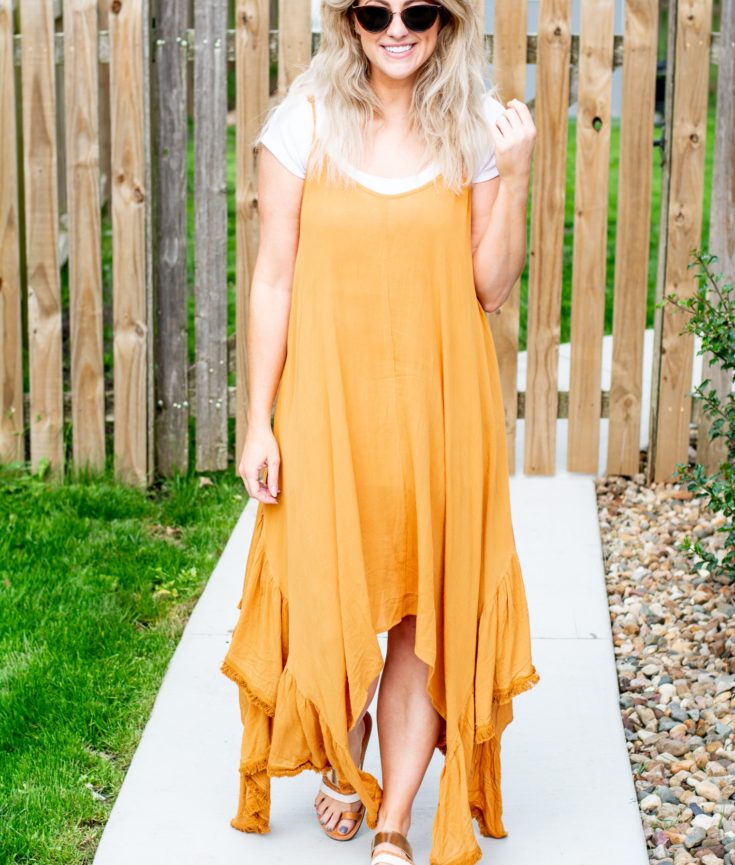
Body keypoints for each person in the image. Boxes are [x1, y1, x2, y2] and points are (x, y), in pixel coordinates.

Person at [220, 2, 540, 864]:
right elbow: (274, 279)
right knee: (330, 588)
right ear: (349, 23)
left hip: (440, 409)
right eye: (375, 12)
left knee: (421, 608)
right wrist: (259, 421)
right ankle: (343, 741)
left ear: (445, 22)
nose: (396, 29)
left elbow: (491, 286)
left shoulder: (473, 126)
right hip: (328, 404)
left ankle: (395, 815)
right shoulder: (305, 122)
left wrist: (511, 176)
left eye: (417, 12)